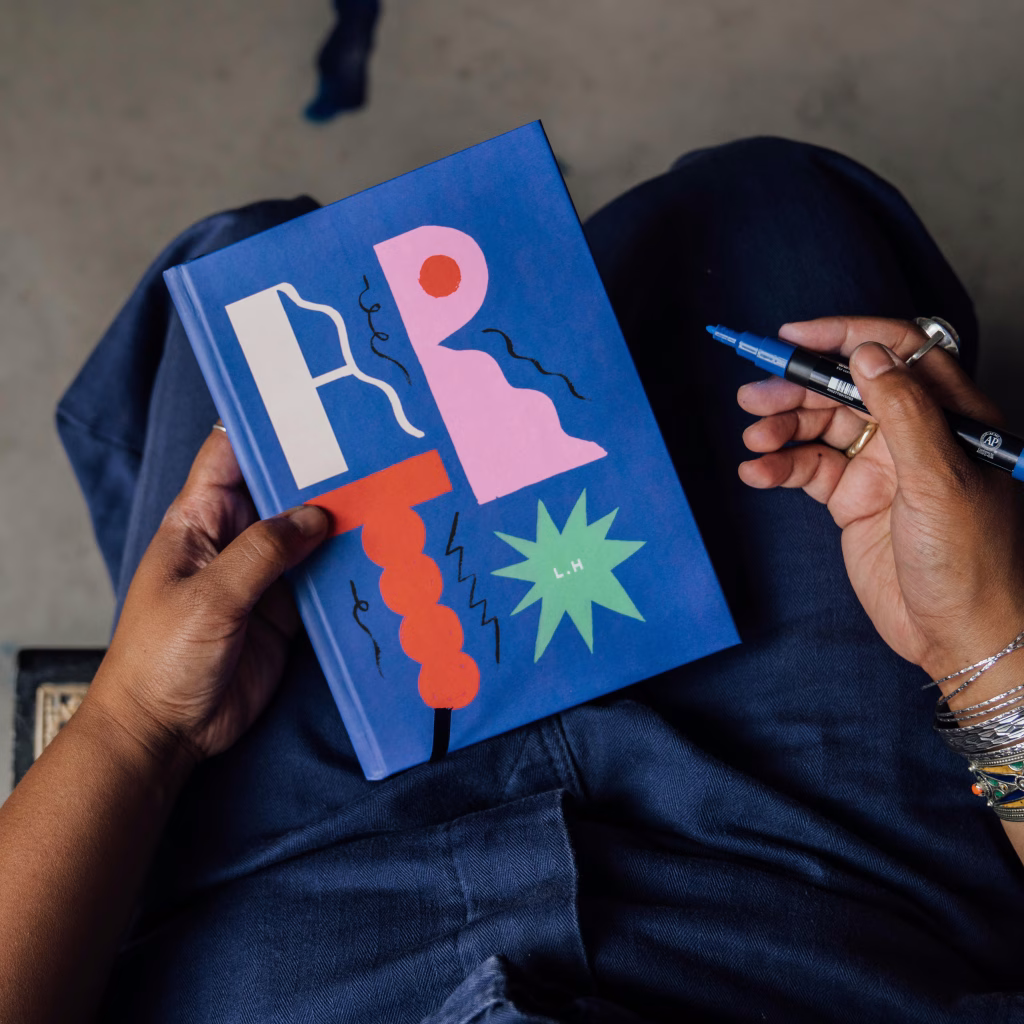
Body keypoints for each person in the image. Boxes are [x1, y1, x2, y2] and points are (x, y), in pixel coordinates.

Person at [2, 137, 1023, 1023]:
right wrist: (984, 643)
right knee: (761, 205)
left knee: (238, 257)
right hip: (816, 893)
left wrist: (137, 723)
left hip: (281, 896)